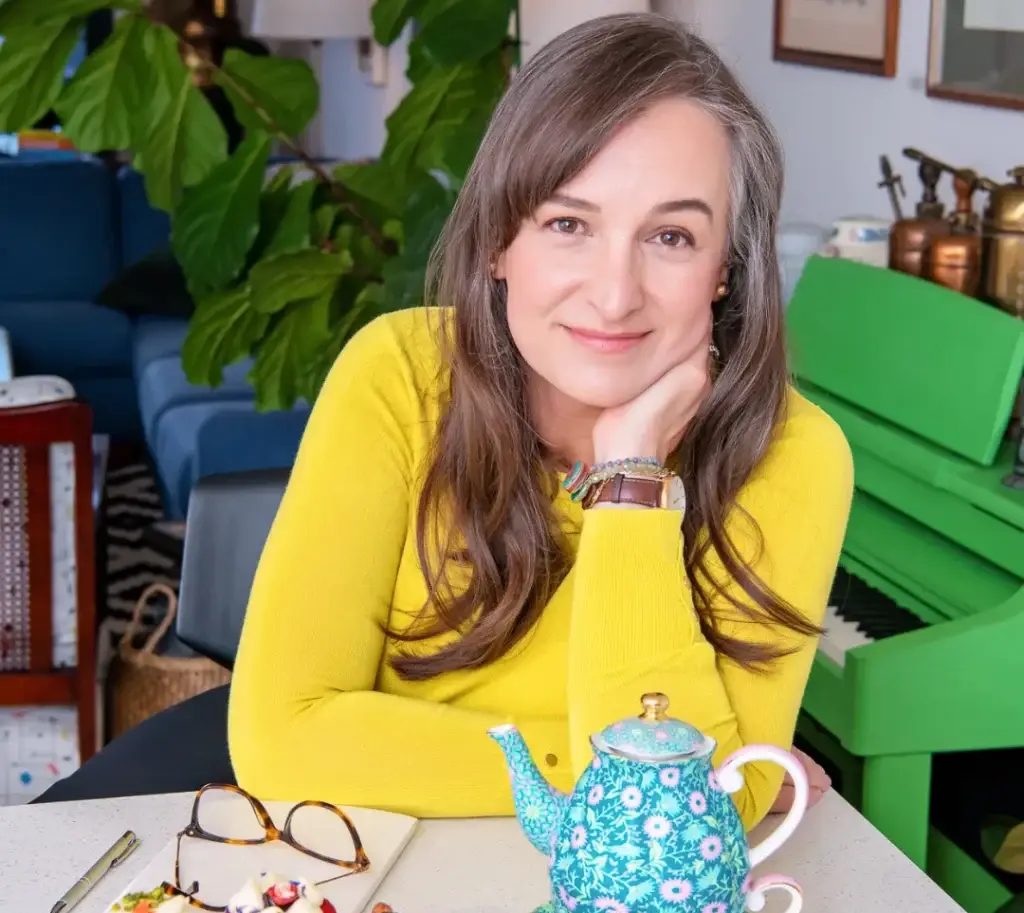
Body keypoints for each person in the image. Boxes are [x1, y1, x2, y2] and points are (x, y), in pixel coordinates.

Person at [38, 13, 847, 830]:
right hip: (366, 881)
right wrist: (630, 778)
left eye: (672, 236)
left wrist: (631, 479)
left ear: (724, 272)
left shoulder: (795, 454)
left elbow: (693, 823)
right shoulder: (400, 373)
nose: (614, 293)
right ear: (500, 240)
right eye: (569, 224)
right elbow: (285, 741)